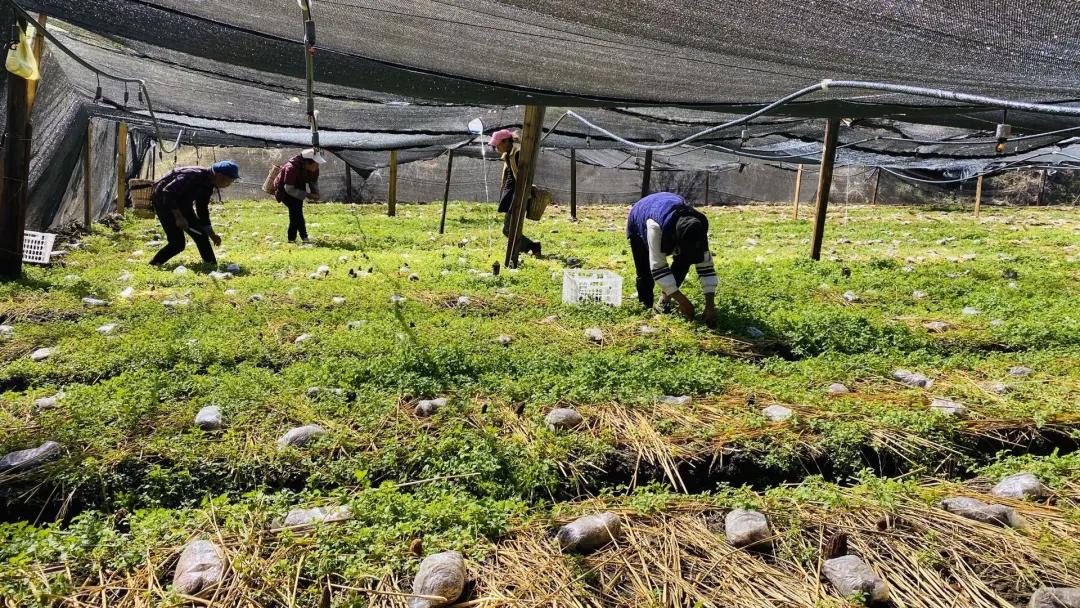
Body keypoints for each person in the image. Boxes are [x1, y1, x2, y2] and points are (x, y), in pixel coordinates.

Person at [626, 192, 717, 323]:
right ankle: (646, 310)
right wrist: (684, 302)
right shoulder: (654, 227)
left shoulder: (697, 230)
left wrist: (710, 306)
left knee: (683, 262)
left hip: (668, 208)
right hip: (640, 216)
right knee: (645, 273)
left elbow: (706, 267)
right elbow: (658, 267)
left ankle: (664, 301)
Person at [149, 160, 239, 267]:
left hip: (182, 203)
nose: (229, 185)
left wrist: (211, 234)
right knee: (177, 243)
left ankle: (211, 266)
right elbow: (167, 192)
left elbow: (202, 209)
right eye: (229, 181)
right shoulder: (193, 176)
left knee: (201, 235)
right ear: (219, 176)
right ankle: (153, 264)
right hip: (163, 201)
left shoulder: (209, 184)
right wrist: (179, 217)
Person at [491, 129, 541, 260]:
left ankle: (530, 247)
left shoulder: (518, 153)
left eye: (498, 144)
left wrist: (527, 192)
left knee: (508, 229)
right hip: (511, 195)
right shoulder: (508, 154)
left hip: (517, 195)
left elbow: (524, 175)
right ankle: (522, 249)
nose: (496, 147)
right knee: (510, 229)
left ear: (506, 141)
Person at [275, 148, 325, 243]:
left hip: (298, 188)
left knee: (296, 213)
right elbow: (289, 188)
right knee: (296, 212)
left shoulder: (314, 168)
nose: (318, 166)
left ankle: (293, 238)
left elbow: (313, 182)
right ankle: (302, 237)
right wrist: (308, 195)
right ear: (307, 163)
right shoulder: (291, 168)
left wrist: (316, 193)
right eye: (316, 163)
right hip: (285, 191)